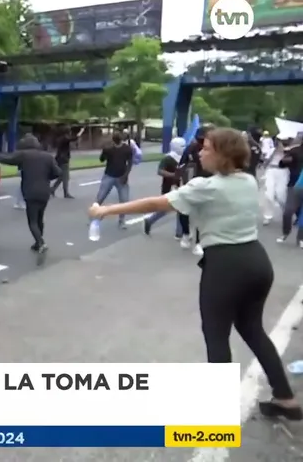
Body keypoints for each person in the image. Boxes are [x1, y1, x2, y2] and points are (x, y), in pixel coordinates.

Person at [88, 127, 301, 421]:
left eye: (207, 148)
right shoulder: (248, 180)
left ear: (223, 155)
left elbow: (155, 204)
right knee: (253, 330)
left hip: (226, 265)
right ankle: (285, 398)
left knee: (216, 335)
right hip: (256, 261)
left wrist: (105, 211)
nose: (200, 152)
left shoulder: (207, 186)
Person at [0, 134, 61, 260]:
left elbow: (8, 159)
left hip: (30, 191)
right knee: (40, 219)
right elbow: (58, 173)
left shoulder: (24, 155)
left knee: (32, 221)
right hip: (45, 191)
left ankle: (41, 243)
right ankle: (38, 242)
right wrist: (47, 179)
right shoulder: (47, 156)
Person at [178, 124, 215, 256]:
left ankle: (199, 242)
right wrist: (180, 181)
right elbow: (182, 164)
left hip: (208, 183)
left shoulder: (215, 150)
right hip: (192, 183)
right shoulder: (191, 148)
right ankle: (186, 233)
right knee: (183, 208)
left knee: (203, 213)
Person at [144, 137, 186, 236]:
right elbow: (160, 171)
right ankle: (150, 221)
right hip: (169, 187)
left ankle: (179, 232)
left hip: (181, 186)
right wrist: (173, 175)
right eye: (182, 146)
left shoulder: (184, 157)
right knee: (165, 209)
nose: (184, 148)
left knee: (181, 208)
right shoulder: (168, 158)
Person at [95, 132, 133, 229]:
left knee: (124, 201)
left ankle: (121, 221)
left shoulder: (127, 149)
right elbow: (101, 159)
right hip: (109, 175)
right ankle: (94, 217)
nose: (116, 139)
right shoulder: (109, 149)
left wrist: (126, 175)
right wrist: (104, 150)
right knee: (100, 198)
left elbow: (130, 163)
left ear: (120, 138)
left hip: (121, 177)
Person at [278, 138, 303, 247]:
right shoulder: (295, 151)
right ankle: (285, 233)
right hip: (295, 184)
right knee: (288, 211)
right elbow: (282, 164)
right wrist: (285, 161)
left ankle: (301, 238)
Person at [262, 137, 289, 225]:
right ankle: (267, 216)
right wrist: (273, 153)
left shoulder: (289, 151)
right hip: (271, 171)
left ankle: (286, 212)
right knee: (268, 194)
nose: (280, 143)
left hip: (283, 172)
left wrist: (284, 151)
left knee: (281, 195)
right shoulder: (272, 150)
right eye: (278, 141)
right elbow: (264, 161)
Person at [50, 125, 77, 199]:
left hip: (59, 158)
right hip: (63, 159)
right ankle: (66, 193)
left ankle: (52, 189)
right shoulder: (64, 138)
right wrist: (79, 133)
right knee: (66, 177)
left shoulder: (60, 138)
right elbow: (72, 139)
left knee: (62, 176)